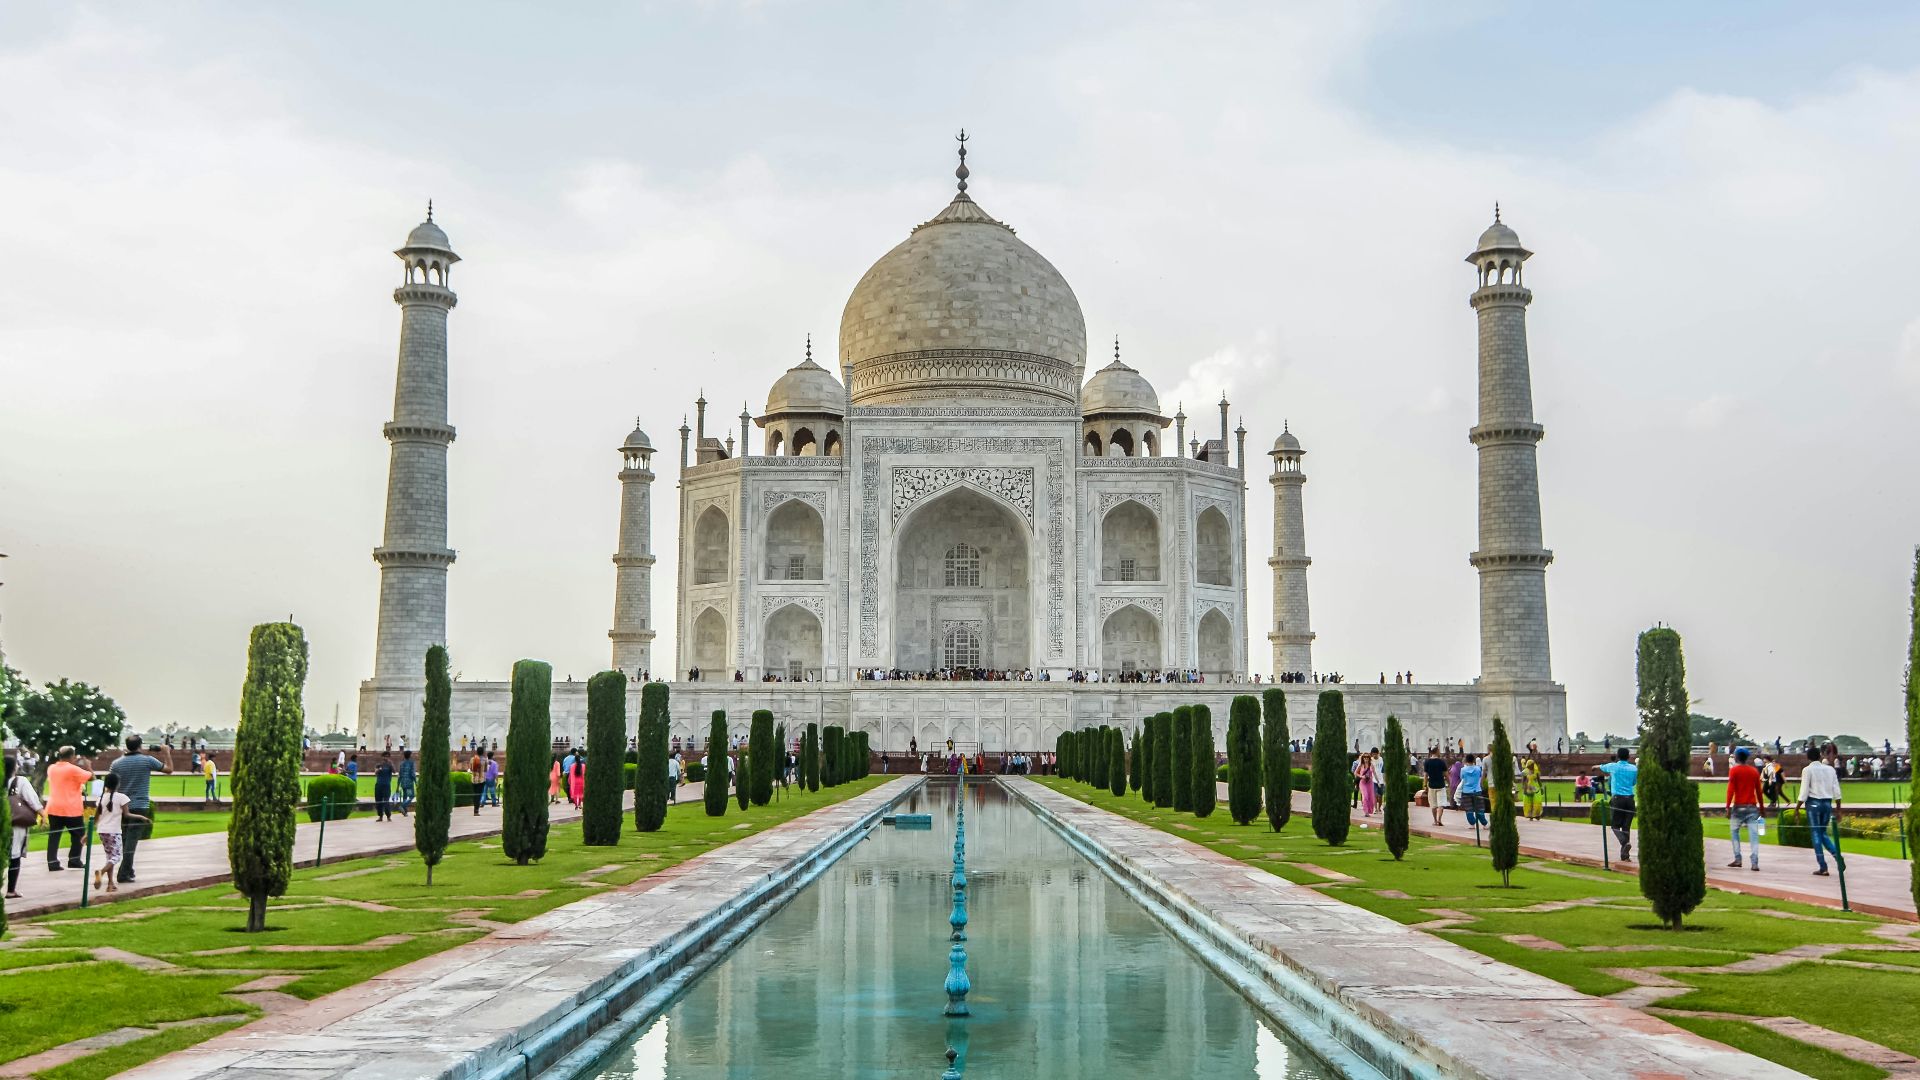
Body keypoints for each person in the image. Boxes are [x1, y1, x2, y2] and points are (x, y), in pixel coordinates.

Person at [109, 735, 172, 884]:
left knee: (125, 839)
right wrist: (167, 753)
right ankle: (124, 873)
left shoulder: (116, 763)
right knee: (131, 841)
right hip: (139, 806)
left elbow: (111, 785)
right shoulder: (147, 760)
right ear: (140, 746)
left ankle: (128, 869)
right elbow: (169, 769)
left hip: (121, 805)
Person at [90, 772, 146, 894]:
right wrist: (141, 817)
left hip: (102, 831)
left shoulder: (101, 798)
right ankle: (101, 872)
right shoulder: (122, 797)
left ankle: (110, 885)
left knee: (110, 857)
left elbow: (95, 818)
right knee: (116, 857)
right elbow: (127, 814)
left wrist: (87, 834)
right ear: (117, 784)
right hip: (114, 832)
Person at [43, 747, 92, 871]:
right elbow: (91, 777)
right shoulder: (72, 769)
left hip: (54, 807)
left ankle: (52, 862)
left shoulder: (51, 768)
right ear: (72, 756)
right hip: (71, 808)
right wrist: (88, 765)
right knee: (78, 834)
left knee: (54, 835)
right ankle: (74, 860)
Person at [1799, 744, 1843, 877]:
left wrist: (1797, 808)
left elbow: (1804, 791)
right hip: (1827, 803)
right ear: (1819, 756)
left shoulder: (1807, 770)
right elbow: (1837, 791)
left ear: (1808, 758)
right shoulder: (1830, 770)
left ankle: (1823, 866)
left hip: (1813, 804)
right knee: (1822, 833)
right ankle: (1837, 857)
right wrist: (1839, 809)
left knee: (1816, 835)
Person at [6, 755, 43, 899]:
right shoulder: (20, 781)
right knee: (14, 855)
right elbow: (32, 800)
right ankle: (10, 890)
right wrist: (42, 813)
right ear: (15, 767)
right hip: (16, 823)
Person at [1725, 746, 1763, 871]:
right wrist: (1762, 808)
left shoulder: (1734, 771)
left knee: (1734, 832)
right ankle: (1754, 862)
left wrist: (1727, 807)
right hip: (1752, 806)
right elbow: (1758, 791)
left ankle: (1738, 858)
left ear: (1736, 757)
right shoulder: (1754, 771)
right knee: (1754, 835)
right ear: (1747, 758)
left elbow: (1731, 790)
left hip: (1738, 806)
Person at [1599, 747, 1638, 862]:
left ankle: (1624, 843)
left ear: (1618, 756)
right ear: (1628, 757)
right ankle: (1625, 856)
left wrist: (1594, 767)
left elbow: (1602, 767)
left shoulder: (1613, 766)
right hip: (1630, 800)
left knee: (1615, 826)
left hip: (1618, 799)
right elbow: (1633, 782)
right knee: (1626, 827)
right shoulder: (1634, 769)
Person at [1457, 754, 1486, 828]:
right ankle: (1484, 824)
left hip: (1466, 791)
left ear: (1466, 760)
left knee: (1469, 809)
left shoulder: (1463, 770)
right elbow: (1480, 776)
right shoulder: (1478, 769)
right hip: (1477, 790)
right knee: (1480, 808)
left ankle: (1472, 824)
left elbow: (1462, 778)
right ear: (1474, 760)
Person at [1422, 748, 1448, 826]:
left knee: (1433, 805)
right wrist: (1449, 783)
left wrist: (1424, 785)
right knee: (1441, 804)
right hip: (1441, 785)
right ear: (1437, 752)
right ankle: (1439, 819)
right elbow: (1446, 774)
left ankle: (1435, 820)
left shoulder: (1427, 762)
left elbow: (1425, 775)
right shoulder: (1441, 762)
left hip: (1431, 785)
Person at [1519, 755, 1544, 821]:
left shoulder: (1536, 771)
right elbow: (1523, 780)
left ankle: (1537, 815)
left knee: (1537, 802)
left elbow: (1539, 780)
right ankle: (1530, 816)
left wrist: (1541, 788)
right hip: (1528, 788)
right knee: (1529, 802)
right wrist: (1523, 787)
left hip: (1535, 788)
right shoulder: (1525, 771)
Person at [373, 753, 395, 822]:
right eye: (385, 756)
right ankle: (380, 816)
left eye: (387, 756)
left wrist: (391, 765)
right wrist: (379, 769)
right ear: (382, 757)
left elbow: (394, 771)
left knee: (386, 801)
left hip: (386, 785)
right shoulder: (379, 764)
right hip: (379, 785)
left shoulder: (390, 764)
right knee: (378, 801)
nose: (386, 757)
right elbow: (375, 772)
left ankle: (388, 816)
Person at [1358, 750, 1379, 816]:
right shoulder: (1361, 765)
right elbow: (1355, 773)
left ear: (1369, 758)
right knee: (1365, 796)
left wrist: (1378, 782)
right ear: (1363, 758)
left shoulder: (1371, 765)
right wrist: (1361, 776)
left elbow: (1374, 773)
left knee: (1371, 798)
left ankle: (1369, 811)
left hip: (1370, 783)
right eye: (1364, 757)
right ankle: (1366, 812)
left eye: (1367, 757)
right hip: (1363, 783)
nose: (1366, 758)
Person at [468, 747, 487, 814]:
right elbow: (485, 770)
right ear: (483, 752)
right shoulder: (485, 760)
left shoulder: (472, 759)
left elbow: (470, 768)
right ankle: (476, 810)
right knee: (479, 795)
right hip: (481, 780)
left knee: (475, 794)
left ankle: (475, 809)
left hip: (474, 779)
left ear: (477, 752)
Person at [398, 749, 416, 816]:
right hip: (409, 783)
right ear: (410, 755)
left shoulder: (402, 763)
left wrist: (398, 785)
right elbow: (412, 773)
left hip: (403, 782)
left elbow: (400, 774)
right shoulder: (411, 763)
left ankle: (405, 812)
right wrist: (416, 782)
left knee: (405, 796)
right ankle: (402, 806)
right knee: (411, 796)